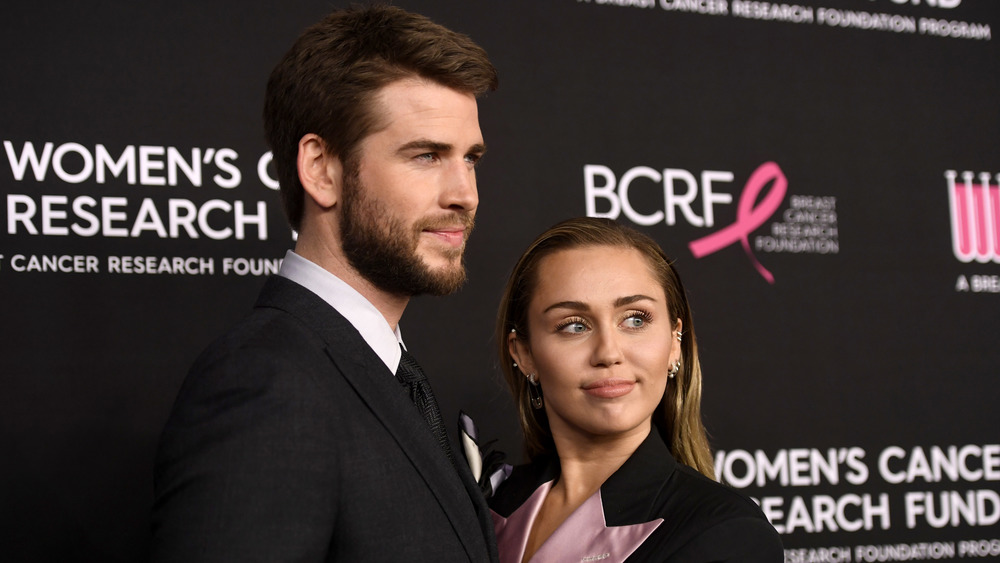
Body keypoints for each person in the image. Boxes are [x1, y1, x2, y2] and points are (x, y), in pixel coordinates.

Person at [150, 6, 498, 562]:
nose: (465, 195)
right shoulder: (267, 383)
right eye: (427, 155)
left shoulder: (382, 369)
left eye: (470, 159)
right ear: (321, 169)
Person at [490, 218, 782, 563]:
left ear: (675, 341)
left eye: (636, 319)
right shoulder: (483, 504)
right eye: (574, 325)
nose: (609, 353)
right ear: (523, 353)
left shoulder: (725, 532)